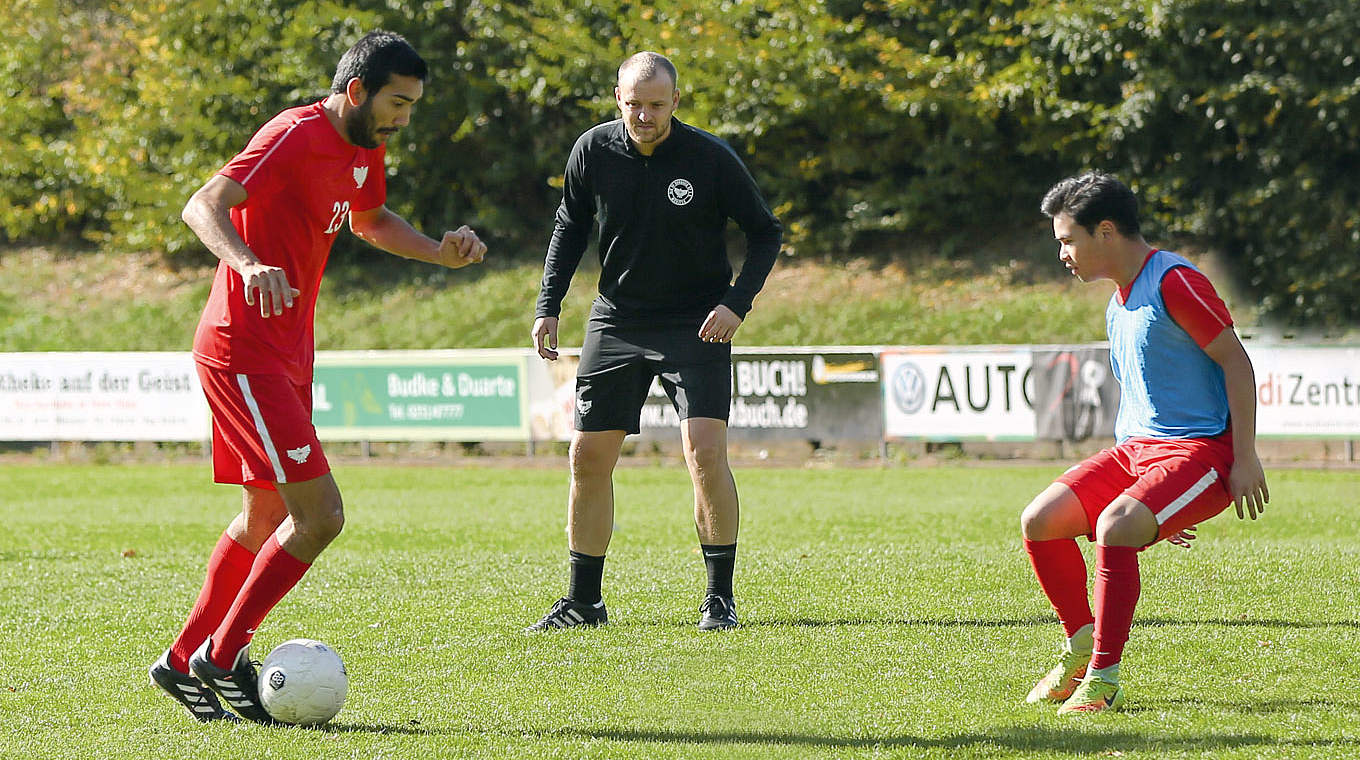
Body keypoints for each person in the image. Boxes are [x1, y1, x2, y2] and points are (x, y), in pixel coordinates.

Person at [148, 30, 487, 723]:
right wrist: (247, 264)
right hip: (242, 350)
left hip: (287, 354)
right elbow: (202, 204)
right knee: (321, 516)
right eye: (397, 102)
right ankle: (221, 654)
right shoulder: (292, 134)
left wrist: (437, 253)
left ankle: (183, 661)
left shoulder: (364, 149)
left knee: (268, 514)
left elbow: (370, 219)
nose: (404, 118)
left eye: (413, 106)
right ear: (357, 91)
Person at [526, 52, 781, 633]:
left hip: (697, 322)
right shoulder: (592, 150)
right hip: (617, 321)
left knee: (704, 454)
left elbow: (766, 232)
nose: (643, 115)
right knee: (586, 457)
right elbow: (570, 226)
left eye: (656, 105)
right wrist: (548, 306)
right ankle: (584, 602)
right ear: (618, 99)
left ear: (675, 102)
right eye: (633, 104)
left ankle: (719, 599)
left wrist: (735, 304)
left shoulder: (710, 158)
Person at [1022, 171, 1269, 714]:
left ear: (1105, 231)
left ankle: (1104, 679)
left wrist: (1245, 456)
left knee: (1114, 525)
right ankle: (1080, 647)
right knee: (1040, 521)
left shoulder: (1175, 281)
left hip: (1201, 452)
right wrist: (1154, 498)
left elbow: (1237, 362)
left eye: (1067, 239)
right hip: (1139, 453)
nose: (1062, 252)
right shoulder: (1118, 302)